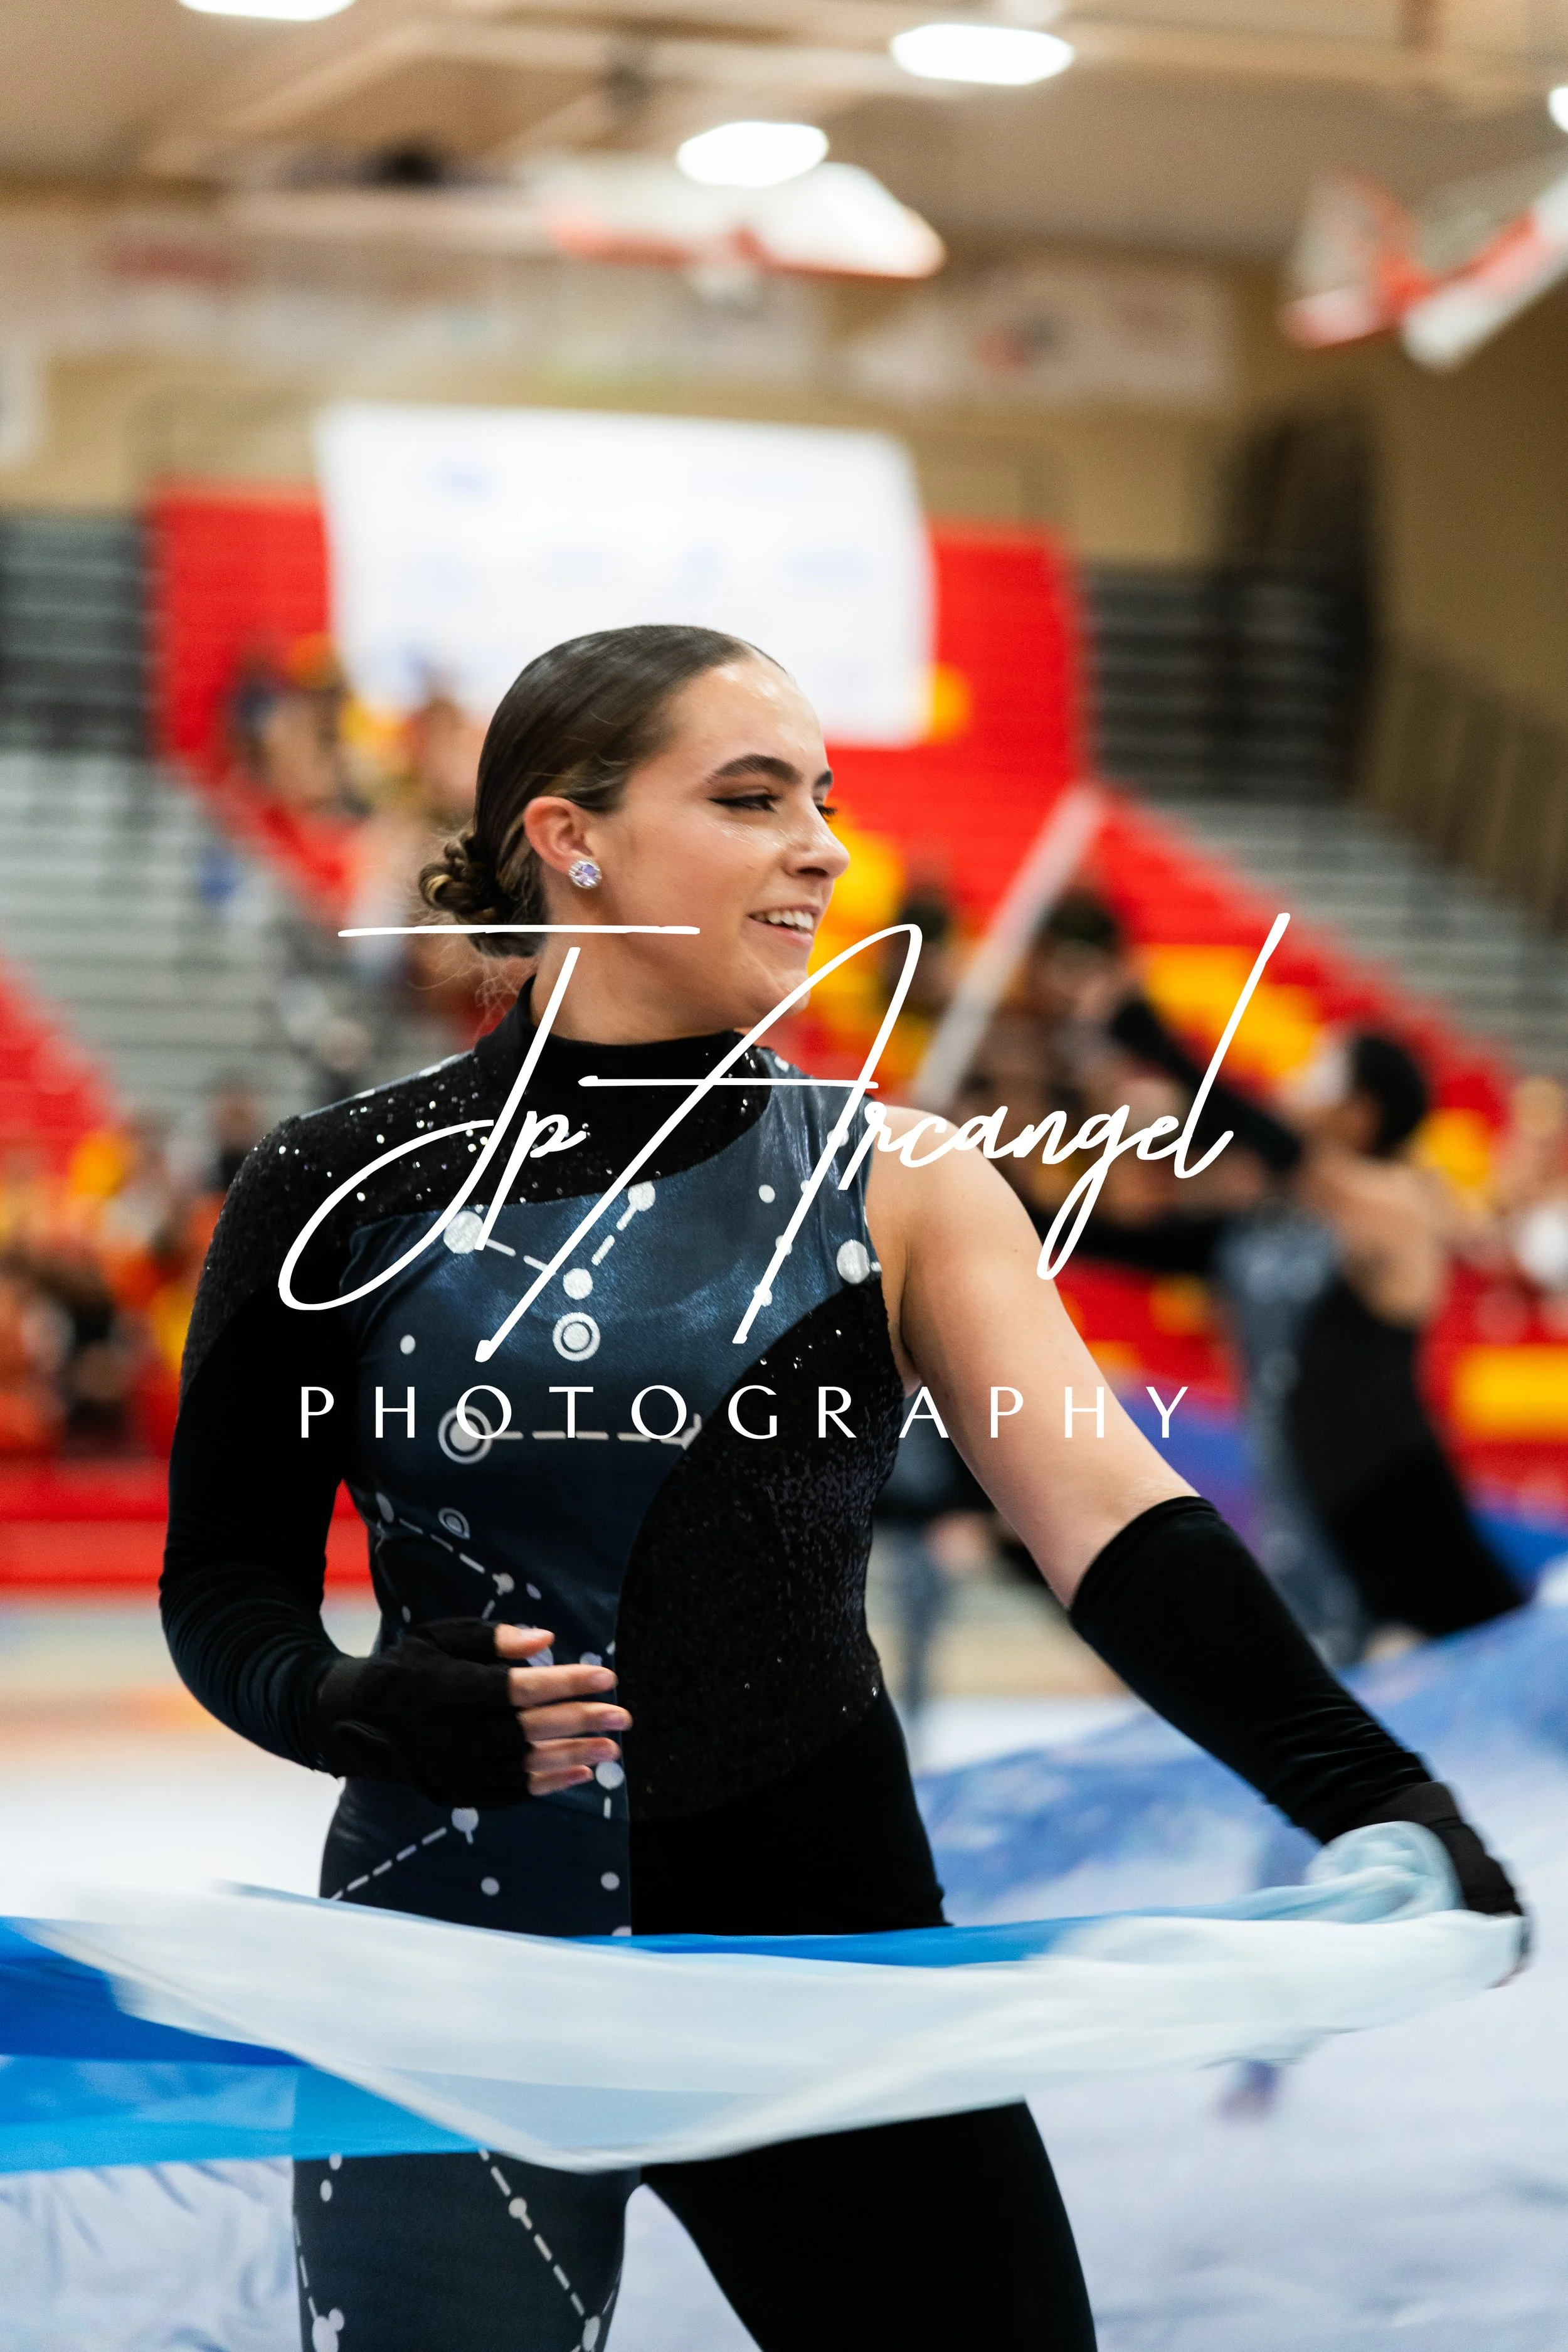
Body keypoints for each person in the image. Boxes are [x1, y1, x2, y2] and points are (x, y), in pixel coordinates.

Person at [161, 626, 1520, 2352]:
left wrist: (1359, 1777)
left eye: (824, 799)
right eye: (749, 798)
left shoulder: (904, 1177)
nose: (820, 845)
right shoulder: (338, 1188)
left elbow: (1109, 1513)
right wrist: (357, 1702)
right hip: (456, 1970)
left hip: (831, 1964)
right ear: (569, 837)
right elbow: (224, 1592)